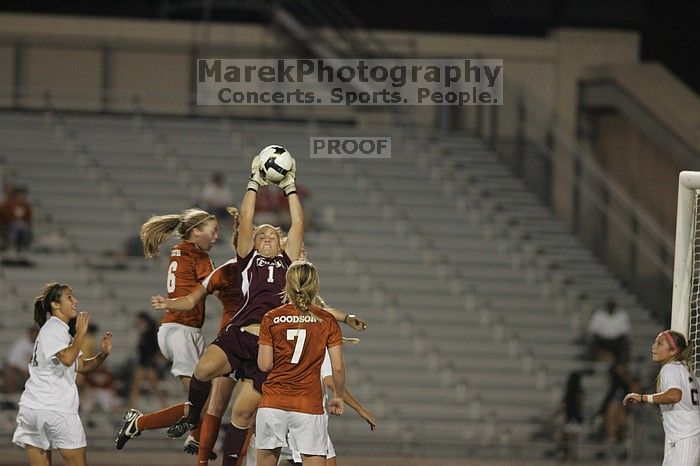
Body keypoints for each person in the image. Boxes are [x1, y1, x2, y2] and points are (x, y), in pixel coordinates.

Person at [163, 149, 304, 466]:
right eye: (260, 233)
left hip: (271, 345)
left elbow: (297, 222)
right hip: (240, 334)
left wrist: (290, 186)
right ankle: (192, 418)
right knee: (203, 369)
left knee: (241, 415)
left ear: (281, 242)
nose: (266, 234)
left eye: (272, 233)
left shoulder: (288, 259)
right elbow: (247, 221)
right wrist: (253, 182)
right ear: (253, 241)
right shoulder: (247, 258)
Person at [115, 208, 218, 450]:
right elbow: (217, 285)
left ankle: (194, 435)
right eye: (212, 232)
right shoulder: (198, 256)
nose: (215, 238)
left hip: (181, 329)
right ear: (196, 232)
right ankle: (140, 423)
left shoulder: (180, 250)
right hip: (181, 330)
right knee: (200, 402)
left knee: (209, 396)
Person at [256, 260, 345, 466]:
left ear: (287, 284)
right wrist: (338, 396)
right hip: (308, 405)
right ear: (315, 286)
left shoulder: (271, 317)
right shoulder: (327, 320)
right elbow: (338, 366)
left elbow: (265, 365)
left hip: (273, 402)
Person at [12, 282, 112, 466]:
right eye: (69, 297)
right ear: (55, 305)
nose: (75, 301)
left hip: (33, 407)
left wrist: (102, 355)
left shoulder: (59, 332)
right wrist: (81, 333)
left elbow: (80, 365)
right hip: (56, 408)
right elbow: (67, 359)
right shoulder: (54, 328)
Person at [623, 330, 700, 466]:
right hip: (684, 438)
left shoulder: (670, 368)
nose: (653, 346)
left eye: (659, 343)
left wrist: (642, 398)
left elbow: (675, 395)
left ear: (673, 351)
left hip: (686, 438)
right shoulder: (684, 369)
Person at [126, 312, 167, 409]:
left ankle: (164, 404)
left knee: (150, 386)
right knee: (137, 385)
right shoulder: (146, 332)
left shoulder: (151, 332)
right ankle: (132, 406)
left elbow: (154, 348)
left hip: (148, 362)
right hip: (144, 362)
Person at [3, 326, 39, 396]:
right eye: (33, 334)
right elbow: (11, 362)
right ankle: (9, 398)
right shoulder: (20, 344)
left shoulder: (41, 345)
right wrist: (22, 370)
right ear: (29, 334)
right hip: (19, 370)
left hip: (35, 372)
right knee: (9, 373)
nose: (34, 336)